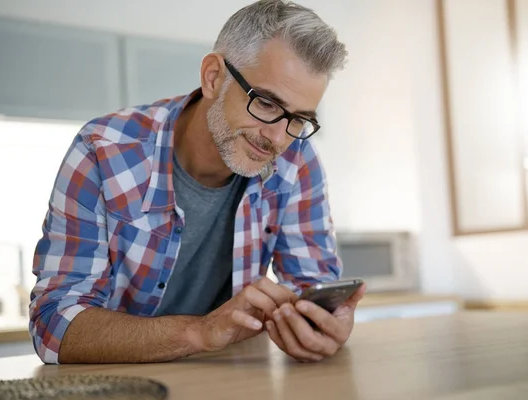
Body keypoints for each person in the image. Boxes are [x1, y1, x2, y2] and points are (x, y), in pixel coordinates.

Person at [29, 0, 367, 365]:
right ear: (212, 77)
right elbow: (54, 325)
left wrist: (329, 323)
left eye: (298, 119)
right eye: (267, 104)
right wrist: (199, 331)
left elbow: (311, 289)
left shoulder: (296, 160)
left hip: (227, 378)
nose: (278, 138)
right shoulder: (103, 151)